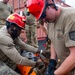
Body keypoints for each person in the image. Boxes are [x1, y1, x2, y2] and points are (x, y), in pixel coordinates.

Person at [26, 0, 75, 75]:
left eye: (43, 15)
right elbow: (53, 40)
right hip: (65, 63)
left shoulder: (70, 18)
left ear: (50, 5)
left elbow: (74, 56)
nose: (44, 20)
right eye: (41, 18)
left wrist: (54, 74)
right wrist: (52, 60)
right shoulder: (50, 21)